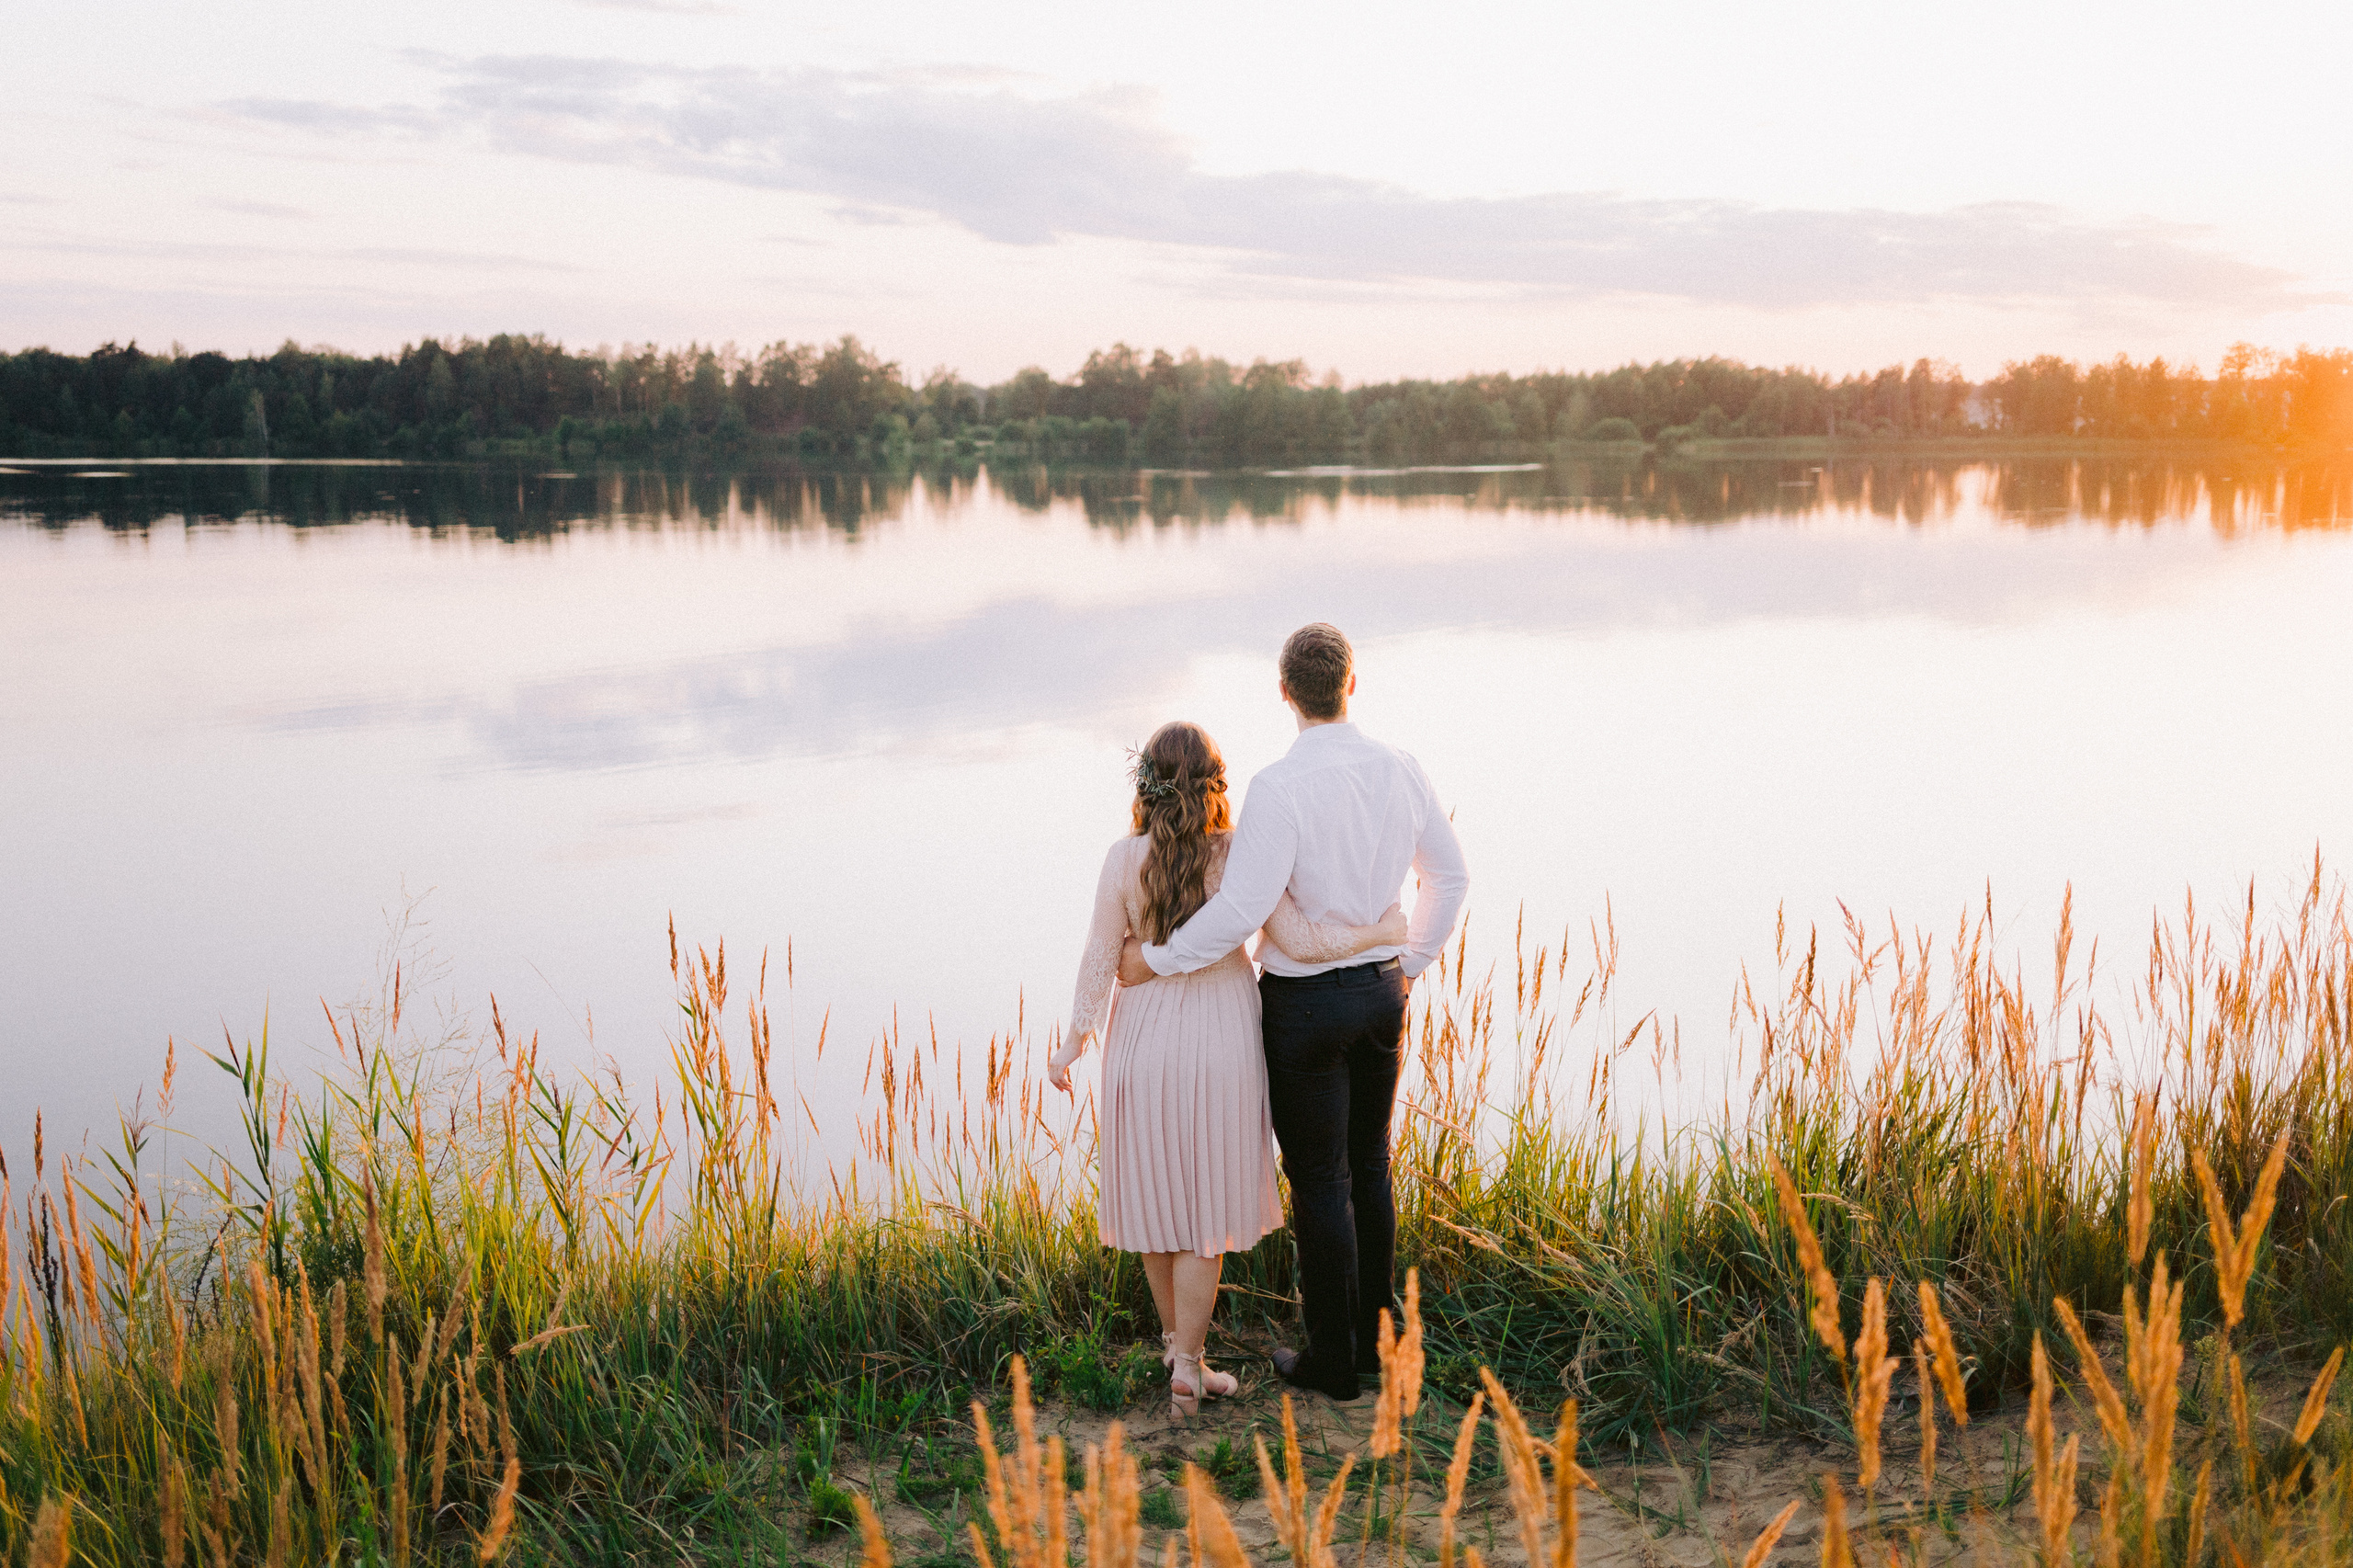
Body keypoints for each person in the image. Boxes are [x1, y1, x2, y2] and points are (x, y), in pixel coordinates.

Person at [1120, 623, 1468, 1402]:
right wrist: (1406, 964)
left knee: (1319, 1180)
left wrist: (1157, 960)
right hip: (1380, 993)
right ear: (1352, 685)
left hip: (1306, 1009)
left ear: (1286, 693)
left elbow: (1243, 907)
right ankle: (1379, 1350)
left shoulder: (1278, 787)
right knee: (1370, 1167)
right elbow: (1449, 876)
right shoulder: (1401, 768)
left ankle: (1334, 1362)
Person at [1050, 719, 1405, 1417]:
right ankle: (1187, 1362)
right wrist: (1382, 933)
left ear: (1145, 787)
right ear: (1216, 784)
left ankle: (1183, 1358)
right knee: (1205, 1212)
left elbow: (1100, 957)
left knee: (1156, 1207)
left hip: (1143, 1039)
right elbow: (1298, 941)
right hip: (1220, 1037)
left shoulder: (1123, 859)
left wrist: (1073, 1041)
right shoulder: (1239, 855)